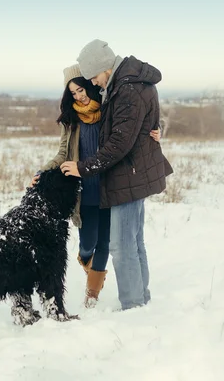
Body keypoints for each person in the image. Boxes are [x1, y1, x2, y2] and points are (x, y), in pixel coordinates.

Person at [33, 64, 161, 308]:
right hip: (84, 192)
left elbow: (129, 131)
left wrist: (155, 131)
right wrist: (44, 171)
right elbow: (63, 153)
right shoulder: (70, 120)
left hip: (108, 188)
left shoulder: (107, 110)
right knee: (87, 244)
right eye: (73, 93)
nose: (79, 96)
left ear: (90, 86)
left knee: (105, 243)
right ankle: (90, 266)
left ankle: (92, 294)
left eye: (81, 90)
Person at [60, 40, 173, 311]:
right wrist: (155, 127)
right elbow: (142, 122)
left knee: (122, 247)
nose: (93, 83)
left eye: (94, 76)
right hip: (133, 173)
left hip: (128, 175)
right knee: (135, 242)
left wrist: (82, 167)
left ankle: (133, 305)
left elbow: (119, 144)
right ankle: (141, 300)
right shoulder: (129, 83)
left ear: (105, 68)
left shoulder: (127, 89)